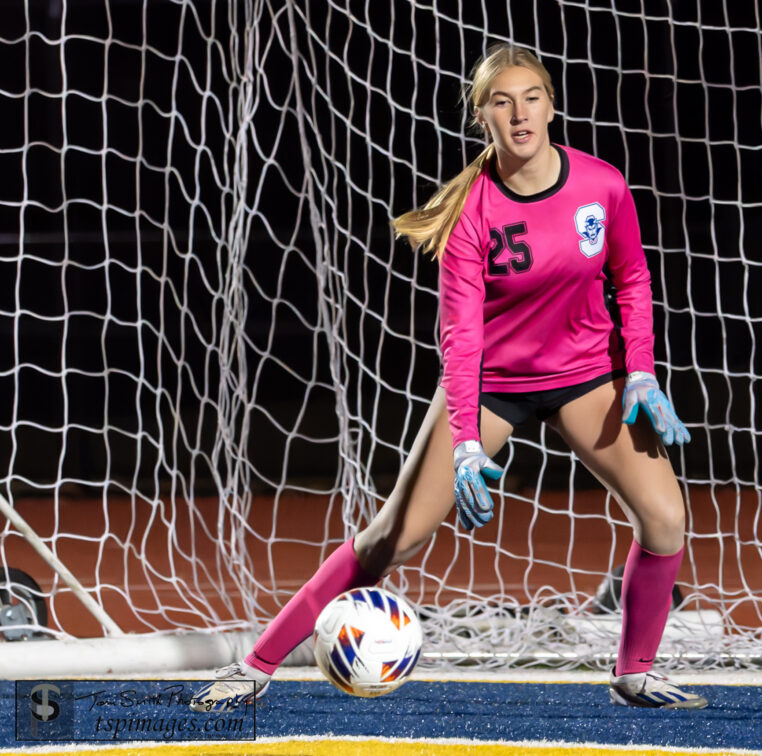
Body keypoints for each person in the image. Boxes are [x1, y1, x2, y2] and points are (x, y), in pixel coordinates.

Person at [191, 43, 706, 712]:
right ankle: (255, 666)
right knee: (392, 538)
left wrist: (639, 373)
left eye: (530, 98)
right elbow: (461, 339)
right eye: (501, 101)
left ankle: (634, 673)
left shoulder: (601, 184)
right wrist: (466, 439)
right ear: (481, 118)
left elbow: (631, 279)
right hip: (493, 383)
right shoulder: (472, 211)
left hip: (587, 376)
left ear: (551, 105)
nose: (519, 114)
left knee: (666, 520)